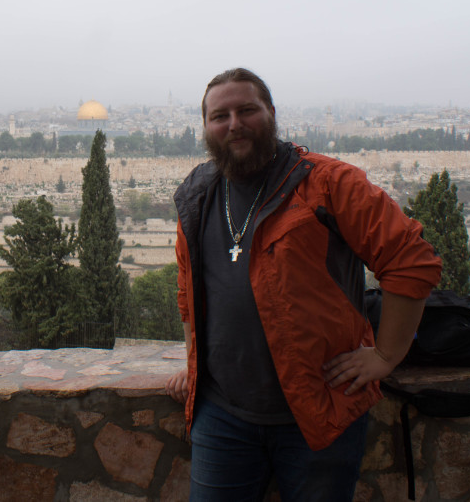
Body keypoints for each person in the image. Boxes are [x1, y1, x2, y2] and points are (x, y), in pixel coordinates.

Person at [166, 68, 442, 501]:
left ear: (271, 113)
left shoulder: (329, 183)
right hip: (222, 417)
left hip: (320, 413)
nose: (234, 123)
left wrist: (387, 355)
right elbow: (190, 293)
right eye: (220, 116)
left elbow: (411, 260)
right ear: (205, 127)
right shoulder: (198, 196)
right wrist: (194, 361)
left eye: (247, 110)